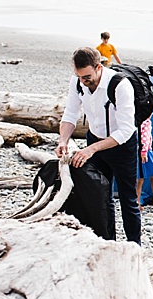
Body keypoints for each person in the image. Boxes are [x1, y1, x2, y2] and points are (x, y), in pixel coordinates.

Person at [56, 47, 142, 244]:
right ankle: (106, 242)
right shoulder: (78, 82)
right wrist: (63, 141)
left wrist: (90, 149)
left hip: (121, 146)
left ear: (99, 67)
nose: (83, 82)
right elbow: (70, 115)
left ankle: (134, 247)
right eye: (79, 77)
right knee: (99, 195)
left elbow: (126, 130)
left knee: (128, 200)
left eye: (87, 76)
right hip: (94, 138)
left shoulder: (120, 85)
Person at [136, 117, 153, 210]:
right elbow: (144, 137)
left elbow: (146, 137)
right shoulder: (139, 121)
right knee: (141, 178)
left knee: (148, 177)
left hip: (146, 152)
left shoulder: (145, 122)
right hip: (141, 152)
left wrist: (143, 151)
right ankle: (138, 202)